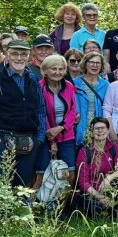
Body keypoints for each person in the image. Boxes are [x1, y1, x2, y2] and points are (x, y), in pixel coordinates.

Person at [0, 40, 46, 188]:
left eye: (23, 54)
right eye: (14, 54)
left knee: (22, 189)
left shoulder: (33, 80)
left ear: (29, 56)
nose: (19, 58)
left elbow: (40, 110)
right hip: (2, 139)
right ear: (7, 55)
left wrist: (39, 138)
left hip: (29, 142)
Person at [35, 54, 78, 189]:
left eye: (61, 69)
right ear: (45, 71)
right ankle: (34, 200)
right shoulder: (38, 87)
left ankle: (64, 200)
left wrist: (61, 127)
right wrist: (52, 141)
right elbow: (41, 114)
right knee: (41, 176)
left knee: (70, 174)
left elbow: (73, 110)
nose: (58, 72)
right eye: (53, 69)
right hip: (45, 135)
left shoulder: (68, 86)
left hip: (66, 134)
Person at [73, 117, 118, 216]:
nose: (100, 131)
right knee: (92, 207)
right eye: (96, 128)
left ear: (108, 130)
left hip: (110, 189)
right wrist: (101, 197)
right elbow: (83, 182)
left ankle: (109, 211)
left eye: (103, 128)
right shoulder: (84, 151)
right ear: (91, 132)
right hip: (91, 193)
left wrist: (108, 178)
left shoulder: (114, 148)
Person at [73, 52, 110, 146]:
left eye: (98, 63)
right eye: (91, 62)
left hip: (99, 127)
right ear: (85, 64)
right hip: (80, 125)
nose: (95, 65)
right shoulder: (74, 84)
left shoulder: (106, 85)